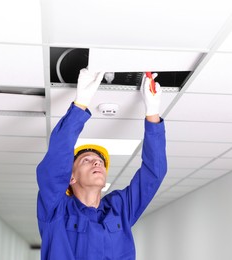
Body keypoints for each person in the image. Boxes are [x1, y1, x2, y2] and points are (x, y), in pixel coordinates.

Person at [36, 68, 167, 260]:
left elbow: (153, 174)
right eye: (86, 160)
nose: (96, 163)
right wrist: (80, 104)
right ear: (71, 177)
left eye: (99, 161)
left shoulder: (120, 208)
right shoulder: (56, 210)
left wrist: (153, 113)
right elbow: (56, 161)